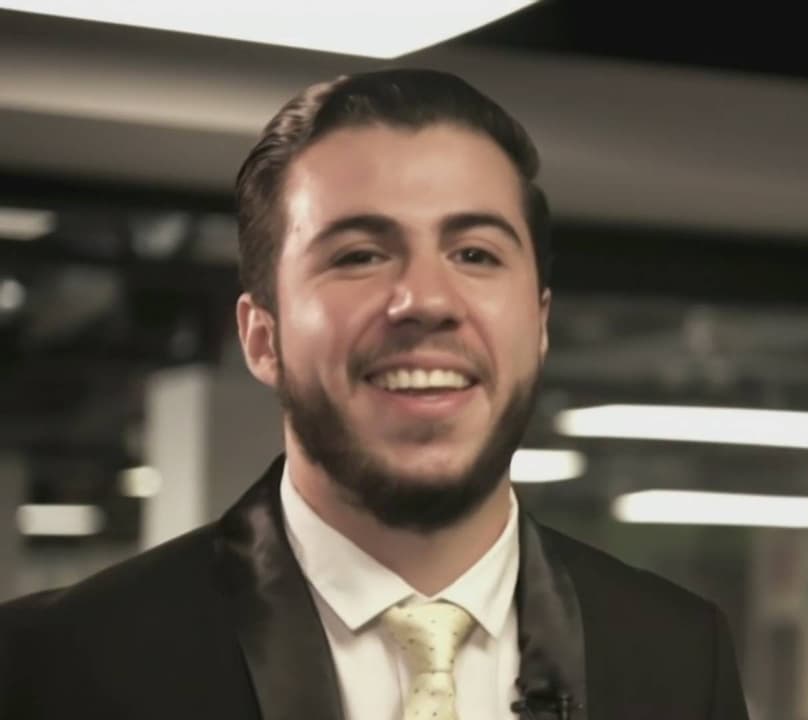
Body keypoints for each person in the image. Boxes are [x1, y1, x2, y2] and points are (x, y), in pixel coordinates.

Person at [0, 68, 751, 720]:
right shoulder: (60, 665)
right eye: (359, 255)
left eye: (475, 253)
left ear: (540, 322)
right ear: (263, 337)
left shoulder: (679, 658)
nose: (426, 299)